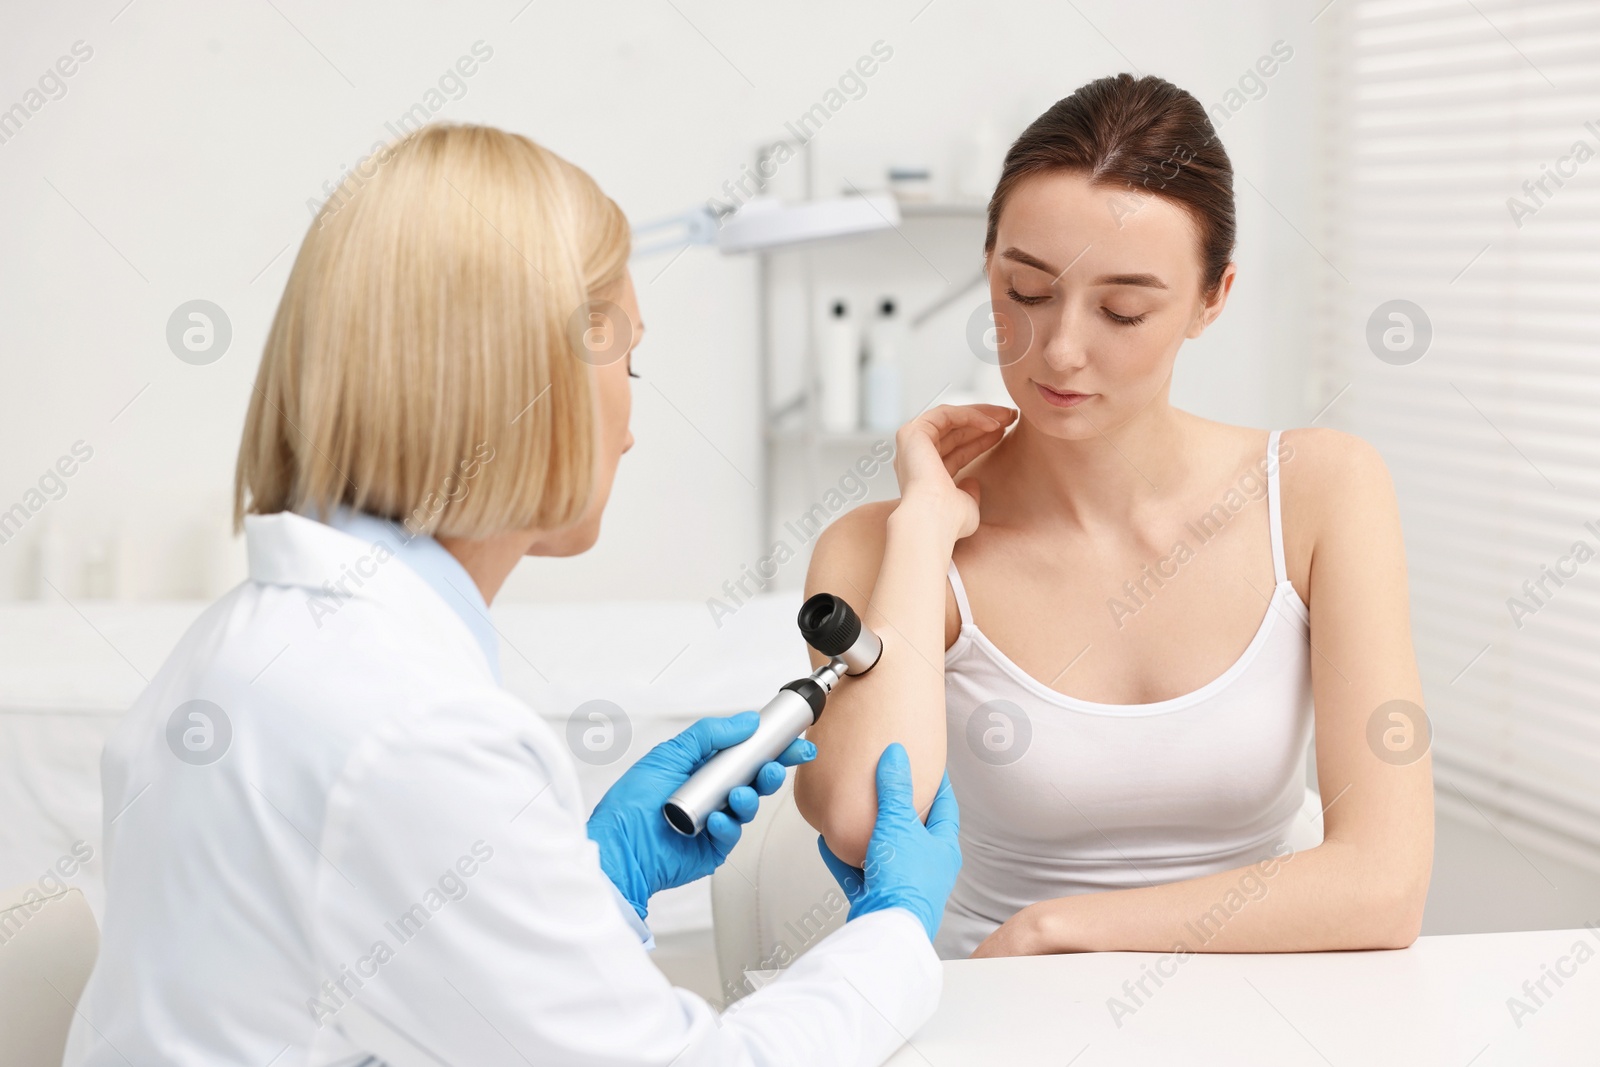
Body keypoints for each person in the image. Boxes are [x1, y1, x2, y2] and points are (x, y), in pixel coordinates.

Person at [63, 123, 961, 1066]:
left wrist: (603, 877)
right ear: (530, 381)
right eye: (629, 364)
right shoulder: (408, 731)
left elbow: (422, 987)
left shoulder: (247, 647)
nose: (628, 428)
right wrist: (894, 932)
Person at [795, 73, 1433, 960]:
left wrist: (1061, 928)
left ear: (1213, 298)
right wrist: (919, 535)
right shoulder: (878, 544)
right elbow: (863, 819)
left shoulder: (1323, 492)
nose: (1059, 349)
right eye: (1025, 293)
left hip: (1263, 995)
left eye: (1123, 310)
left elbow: (1383, 884)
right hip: (991, 1009)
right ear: (989, 274)